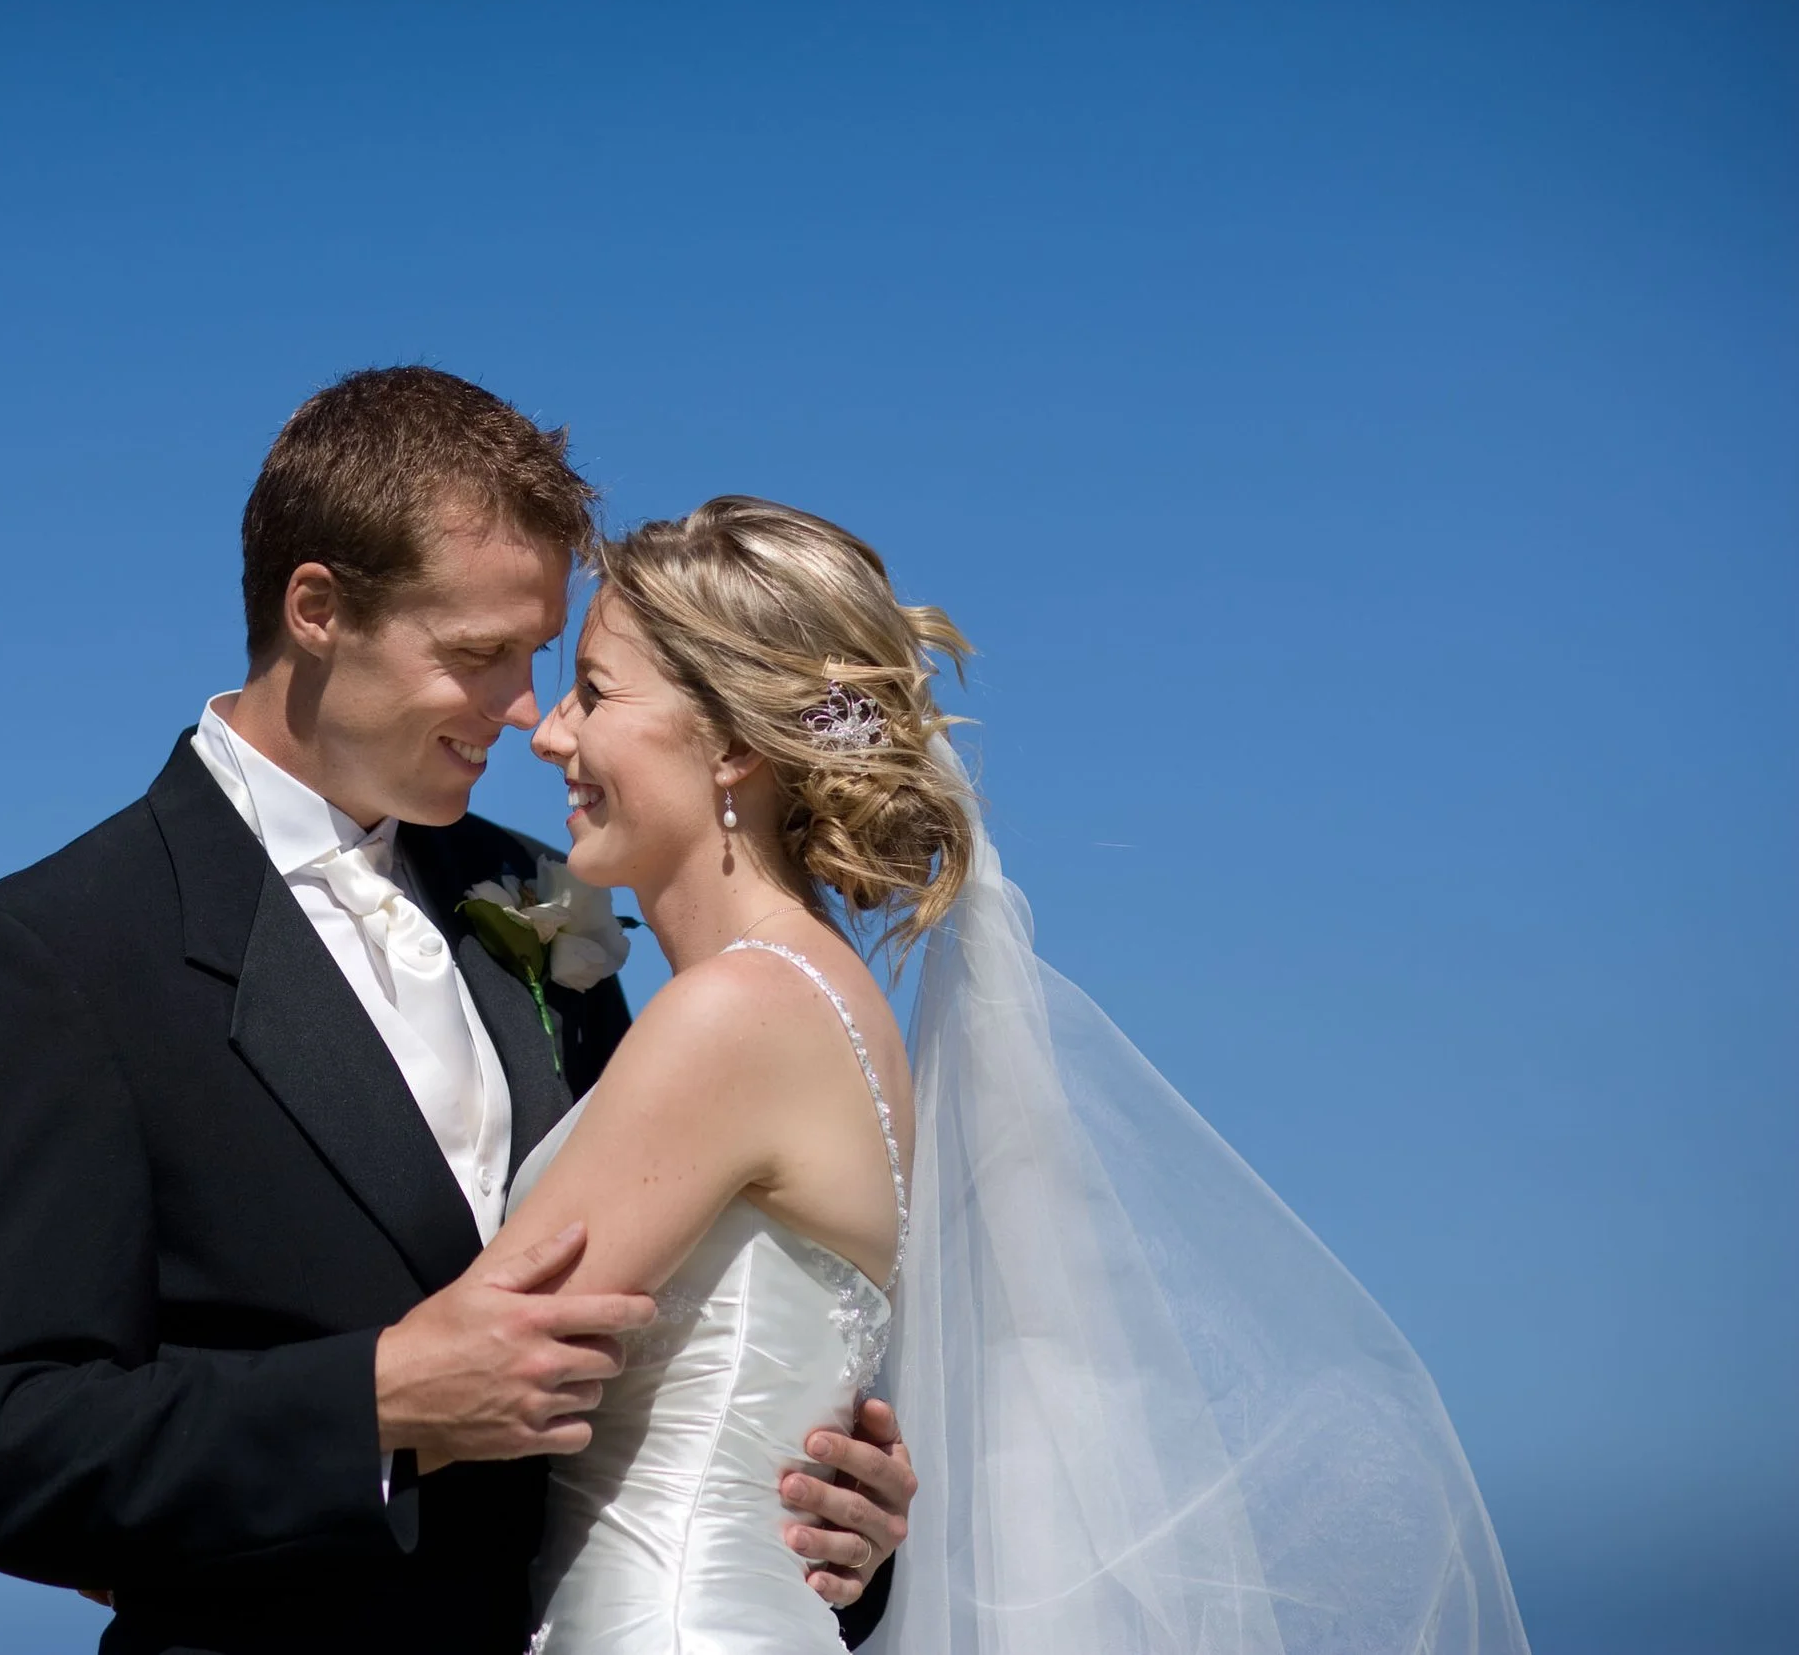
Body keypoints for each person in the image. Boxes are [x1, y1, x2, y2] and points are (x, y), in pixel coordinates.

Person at [0, 370, 912, 1655]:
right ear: (317, 609)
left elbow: (658, 1364)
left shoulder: (543, 905)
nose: (527, 712)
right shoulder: (59, 950)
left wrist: (832, 1528)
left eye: (544, 658)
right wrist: (371, 1400)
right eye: (478, 655)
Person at [499, 495, 1532, 1654]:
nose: (548, 732)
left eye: (594, 689)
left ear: (731, 740)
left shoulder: (737, 1012)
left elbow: (480, 1367)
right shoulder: (832, 1004)